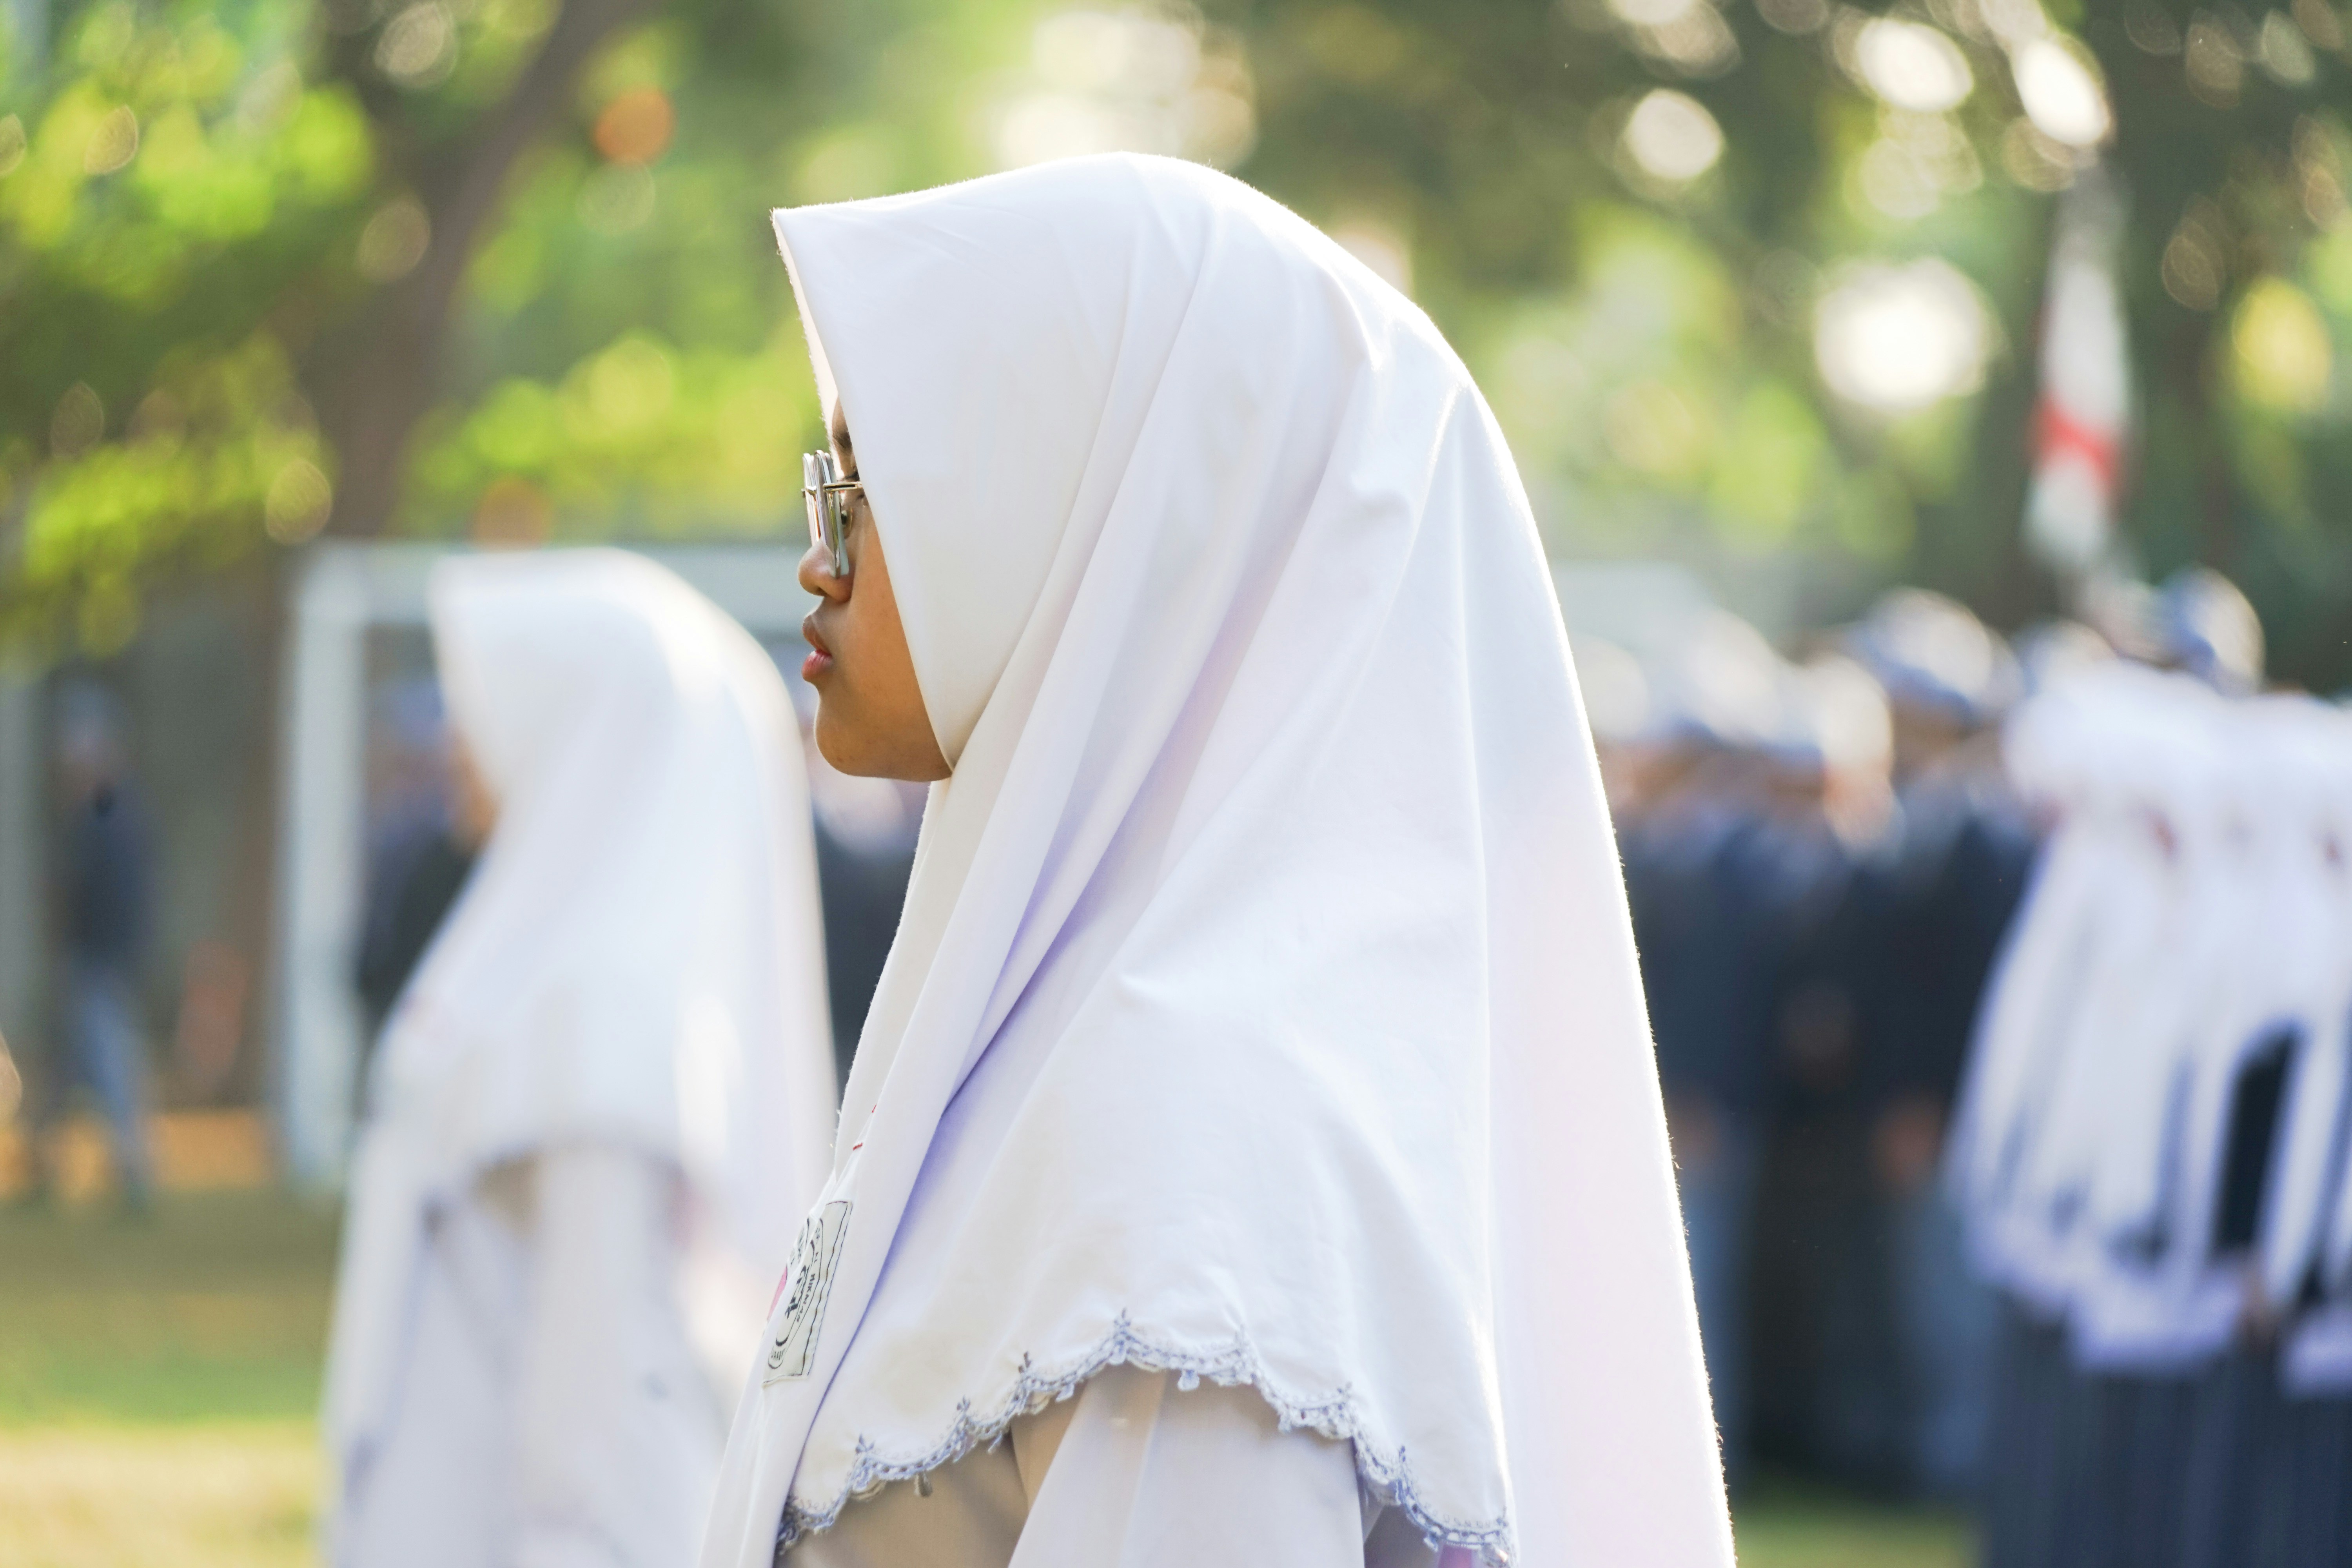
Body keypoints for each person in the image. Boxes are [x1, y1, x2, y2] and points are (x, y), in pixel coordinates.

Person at [700, 154, 1732, 1568]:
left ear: (1110, 521)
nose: (821, 565)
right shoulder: (1075, 1033)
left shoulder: (1197, 1161)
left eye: (868, 492)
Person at [322, 550, 837, 1568]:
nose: (459, 743)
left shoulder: (603, 1020)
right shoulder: (549, 964)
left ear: (595, 728)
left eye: (495, 702)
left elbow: (597, 1440)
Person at [28, 681, 157, 1211]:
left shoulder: (108, 811)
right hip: (88, 958)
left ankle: (134, 1171)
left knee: (109, 1065)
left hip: (99, 960)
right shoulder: (96, 811)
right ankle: (44, 1168)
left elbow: (103, 891)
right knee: (65, 1069)